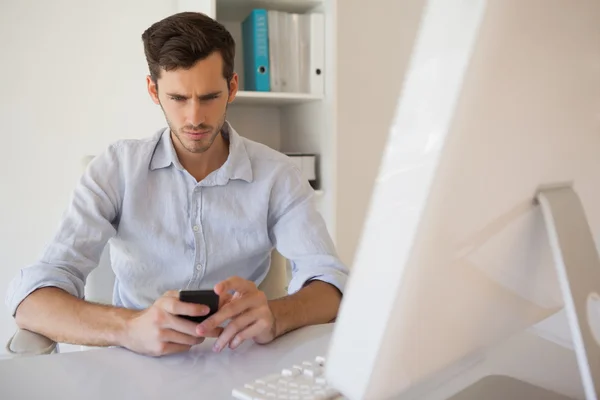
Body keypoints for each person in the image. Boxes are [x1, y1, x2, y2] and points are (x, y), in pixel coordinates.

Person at [5, 11, 348, 357]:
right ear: (154, 90)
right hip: (133, 361)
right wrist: (130, 327)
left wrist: (275, 314)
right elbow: (32, 299)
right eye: (179, 98)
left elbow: (331, 283)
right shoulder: (116, 169)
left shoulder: (278, 175)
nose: (195, 117)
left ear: (232, 88)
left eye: (210, 97)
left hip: (238, 359)